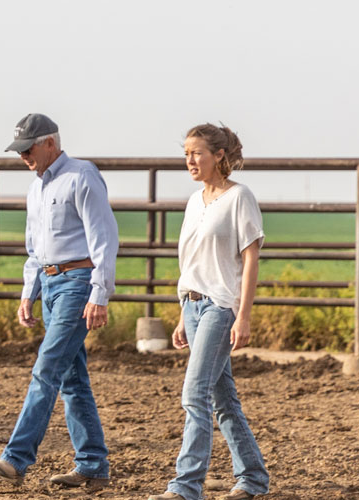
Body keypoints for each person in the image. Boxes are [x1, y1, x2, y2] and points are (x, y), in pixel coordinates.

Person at [0, 113, 119, 493]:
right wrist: (30, 290)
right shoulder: (36, 189)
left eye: (28, 149)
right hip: (50, 281)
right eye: (19, 150)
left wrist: (99, 293)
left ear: (50, 143)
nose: (23, 156)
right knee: (72, 380)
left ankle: (16, 457)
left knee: (46, 368)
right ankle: (93, 465)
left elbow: (104, 238)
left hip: (78, 282)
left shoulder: (81, 176)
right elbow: (34, 248)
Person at [152, 124, 270, 500]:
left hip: (221, 307)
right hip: (192, 305)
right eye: (186, 153)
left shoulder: (240, 198)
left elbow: (250, 259)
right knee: (223, 400)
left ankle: (186, 486)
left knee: (194, 393)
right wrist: (181, 313)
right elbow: (191, 261)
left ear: (219, 155)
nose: (189, 160)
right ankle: (253, 478)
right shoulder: (193, 201)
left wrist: (244, 315)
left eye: (197, 153)